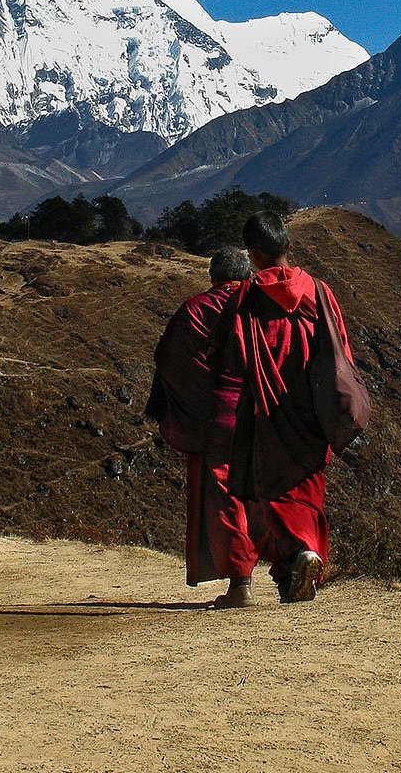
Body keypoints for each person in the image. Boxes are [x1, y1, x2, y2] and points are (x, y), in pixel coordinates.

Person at [225, 210, 353, 603]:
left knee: (274, 491)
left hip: (270, 408)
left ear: (254, 255)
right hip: (313, 410)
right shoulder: (318, 290)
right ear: (287, 246)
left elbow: (235, 357)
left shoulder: (247, 297)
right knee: (307, 489)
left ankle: (301, 553)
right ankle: (292, 577)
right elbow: (339, 347)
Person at [147, 246, 259, 609]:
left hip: (217, 422)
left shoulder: (195, 309)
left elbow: (167, 358)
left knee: (226, 498)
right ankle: (293, 570)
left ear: (212, 276)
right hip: (263, 417)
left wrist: (191, 401)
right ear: (245, 275)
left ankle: (241, 584)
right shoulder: (258, 306)